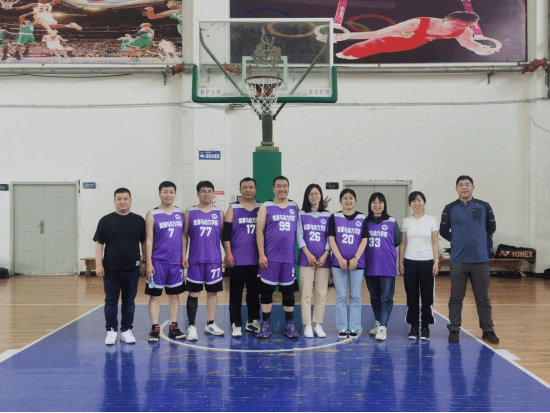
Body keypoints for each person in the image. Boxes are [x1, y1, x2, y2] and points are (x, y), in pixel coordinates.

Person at [440, 176, 499, 344]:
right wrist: (457, 240)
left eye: (467, 184)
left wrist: (478, 240)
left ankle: (488, 330)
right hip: (458, 261)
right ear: (456, 189)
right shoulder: (449, 208)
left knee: (483, 298)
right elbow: (443, 230)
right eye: (460, 185)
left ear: (473, 187)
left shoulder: (484, 206)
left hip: (480, 260)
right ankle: (454, 329)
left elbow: (491, 228)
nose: (464, 187)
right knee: (456, 297)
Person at [94, 188, 145, 346]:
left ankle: (126, 331)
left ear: (130, 201)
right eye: (119, 199)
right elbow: (99, 244)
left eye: (126, 198)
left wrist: (144, 261)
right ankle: (111, 331)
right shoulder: (105, 220)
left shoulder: (138, 220)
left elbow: (144, 243)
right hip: (111, 270)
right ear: (115, 201)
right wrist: (98, 265)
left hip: (132, 270)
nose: (123, 201)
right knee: (111, 302)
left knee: (129, 302)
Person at [335, 12, 497, 60]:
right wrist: (346, 37)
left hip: (412, 44)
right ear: (444, 20)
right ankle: (343, 53)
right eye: (455, 25)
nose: (458, 28)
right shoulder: (416, 24)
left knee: (376, 50)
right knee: (351, 53)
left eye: (463, 26)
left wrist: (480, 47)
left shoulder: (464, 31)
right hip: (394, 37)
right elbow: (376, 33)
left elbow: (467, 44)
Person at [256, 176, 299, 339]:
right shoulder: (266, 206)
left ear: (288, 188)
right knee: (266, 292)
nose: (282, 189)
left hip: (288, 259)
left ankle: (289, 323)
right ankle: (266, 323)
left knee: (289, 293)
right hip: (270, 259)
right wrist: (261, 254)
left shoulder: (294, 206)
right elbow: (259, 231)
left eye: (285, 186)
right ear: (273, 188)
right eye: (279, 186)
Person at [144, 181, 186, 343]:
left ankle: (174, 326)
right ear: (159, 193)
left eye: (171, 192)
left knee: (174, 295)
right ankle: (155, 328)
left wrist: (184, 255)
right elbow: (148, 239)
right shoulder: (152, 214)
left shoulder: (180, 213)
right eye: (165, 192)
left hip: (175, 263)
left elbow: (184, 236)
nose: (168, 195)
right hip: (157, 262)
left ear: (175, 194)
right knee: (155, 296)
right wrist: (148, 262)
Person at [183, 181, 225, 340]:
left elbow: (224, 237)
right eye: (203, 191)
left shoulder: (219, 213)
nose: (207, 194)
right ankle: (191, 327)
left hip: (214, 260)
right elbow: (184, 236)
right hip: (195, 260)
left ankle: (210, 324)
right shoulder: (190, 212)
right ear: (198, 194)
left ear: (213, 194)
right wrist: (183, 254)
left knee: (212, 292)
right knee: (193, 293)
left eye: (209, 191)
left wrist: (227, 254)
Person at [223, 177, 262, 338]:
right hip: (237, 259)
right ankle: (236, 323)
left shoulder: (262, 207)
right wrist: (228, 253)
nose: (248, 190)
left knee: (254, 294)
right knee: (236, 294)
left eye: (251, 187)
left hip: (256, 259)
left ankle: (252, 321)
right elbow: (226, 234)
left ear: (255, 189)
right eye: (245, 187)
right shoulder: (233, 208)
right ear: (240, 190)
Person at [328, 189, 369, 339]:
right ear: (341, 201)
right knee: (340, 295)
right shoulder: (335, 217)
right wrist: (339, 258)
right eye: (345, 198)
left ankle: (355, 326)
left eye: (351, 198)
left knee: (355, 295)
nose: (348, 201)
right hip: (338, 263)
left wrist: (356, 258)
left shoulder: (362, 218)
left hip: (357, 263)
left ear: (355, 200)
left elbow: (364, 239)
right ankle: (342, 326)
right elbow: (331, 239)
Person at [399, 191, 439, 341]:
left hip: (427, 261)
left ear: (424, 202)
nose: (417, 203)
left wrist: (436, 261)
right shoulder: (406, 221)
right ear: (410, 204)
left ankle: (425, 326)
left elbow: (435, 243)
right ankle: (414, 326)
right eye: (414, 201)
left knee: (427, 296)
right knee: (412, 296)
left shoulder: (431, 220)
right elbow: (403, 243)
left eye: (419, 200)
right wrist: (400, 262)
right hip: (410, 261)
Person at [365, 192, 401, 341]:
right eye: (374, 202)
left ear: (384, 205)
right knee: (374, 297)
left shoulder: (392, 222)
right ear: (370, 205)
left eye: (380, 202)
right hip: (370, 266)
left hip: (387, 266)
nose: (377, 205)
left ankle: (383, 327)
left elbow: (397, 240)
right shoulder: (365, 222)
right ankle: (379, 322)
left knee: (386, 298)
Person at [298, 184, 331, 338]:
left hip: (324, 260)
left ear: (320, 195)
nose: (314, 196)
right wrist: (308, 254)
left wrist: (325, 254)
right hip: (306, 259)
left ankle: (318, 324)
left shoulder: (328, 215)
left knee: (321, 294)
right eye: (311, 194)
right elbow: (299, 236)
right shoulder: (301, 214)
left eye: (316, 193)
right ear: (307, 196)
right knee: (305, 294)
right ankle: (307, 325)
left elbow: (330, 237)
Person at [14, 0, 82, 32]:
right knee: (53, 26)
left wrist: (12, 8)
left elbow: (21, 8)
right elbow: (57, 1)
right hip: (48, 16)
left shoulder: (35, 4)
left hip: (41, 16)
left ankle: (50, 31)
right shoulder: (50, 4)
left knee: (46, 26)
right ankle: (69, 25)